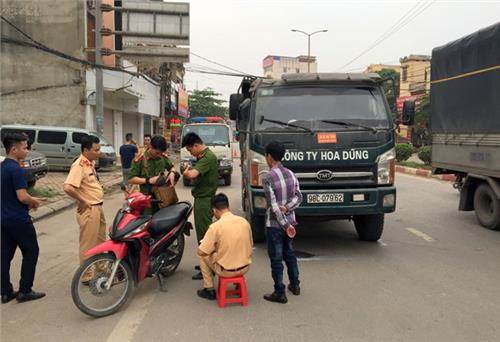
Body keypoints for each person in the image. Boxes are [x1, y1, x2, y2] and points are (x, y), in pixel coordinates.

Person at [1, 133, 46, 303]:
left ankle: (5, 291)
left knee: (5, 255)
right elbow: (21, 196)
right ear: (14, 149)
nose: (27, 150)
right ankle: (25, 290)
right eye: (25, 147)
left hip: (3, 218)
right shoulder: (16, 169)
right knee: (31, 251)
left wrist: (30, 202)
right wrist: (34, 201)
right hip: (18, 219)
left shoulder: (3, 166)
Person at [262, 140, 303, 304]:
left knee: (276, 258)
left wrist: (284, 224)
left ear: (269, 157)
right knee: (290, 254)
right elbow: (299, 197)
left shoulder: (267, 178)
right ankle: (295, 285)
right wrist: (288, 209)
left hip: (275, 225)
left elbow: (273, 206)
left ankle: (279, 292)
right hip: (291, 223)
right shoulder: (291, 174)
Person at [63, 135, 106, 279]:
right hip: (89, 209)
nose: (99, 152)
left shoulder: (90, 163)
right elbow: (68, 187)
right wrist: (82, 200)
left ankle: (100, 266)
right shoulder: (79, 165)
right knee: (88, 243)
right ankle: (87, 275)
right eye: (96, 150)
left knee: (100, 240)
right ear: (86, 150)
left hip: (97, 207)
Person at [196, 193, 253, 300]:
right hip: (245, 267)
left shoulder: (215, 227)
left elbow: (201, 252)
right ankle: (237, 282)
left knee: (203, 256)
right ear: (228, 207)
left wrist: (213, 248)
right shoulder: (244, 222)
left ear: (214, 210)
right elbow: (250, 244)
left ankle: (208, 289)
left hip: (226, 271)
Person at [181, 132, 218, 280]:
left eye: (190, 150)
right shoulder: (204, 156)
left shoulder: (208, 158)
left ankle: (208, 268)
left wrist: (185, 172)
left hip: (204, 200)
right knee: (204, 233)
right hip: (203, 198)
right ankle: (205, 262)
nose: (190, 152)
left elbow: (192, 175)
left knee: (204, 236)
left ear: (196, 145)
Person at [128, 135, 176, 214]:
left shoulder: (162, 157)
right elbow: (131, 179)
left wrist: (172, 173)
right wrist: (148, 180)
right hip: (147, 200)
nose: (159, 155)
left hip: (162, 197)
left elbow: (171, 167)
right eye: (157, 152)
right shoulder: (140, 159)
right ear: (150, 146)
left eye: (161, 153)